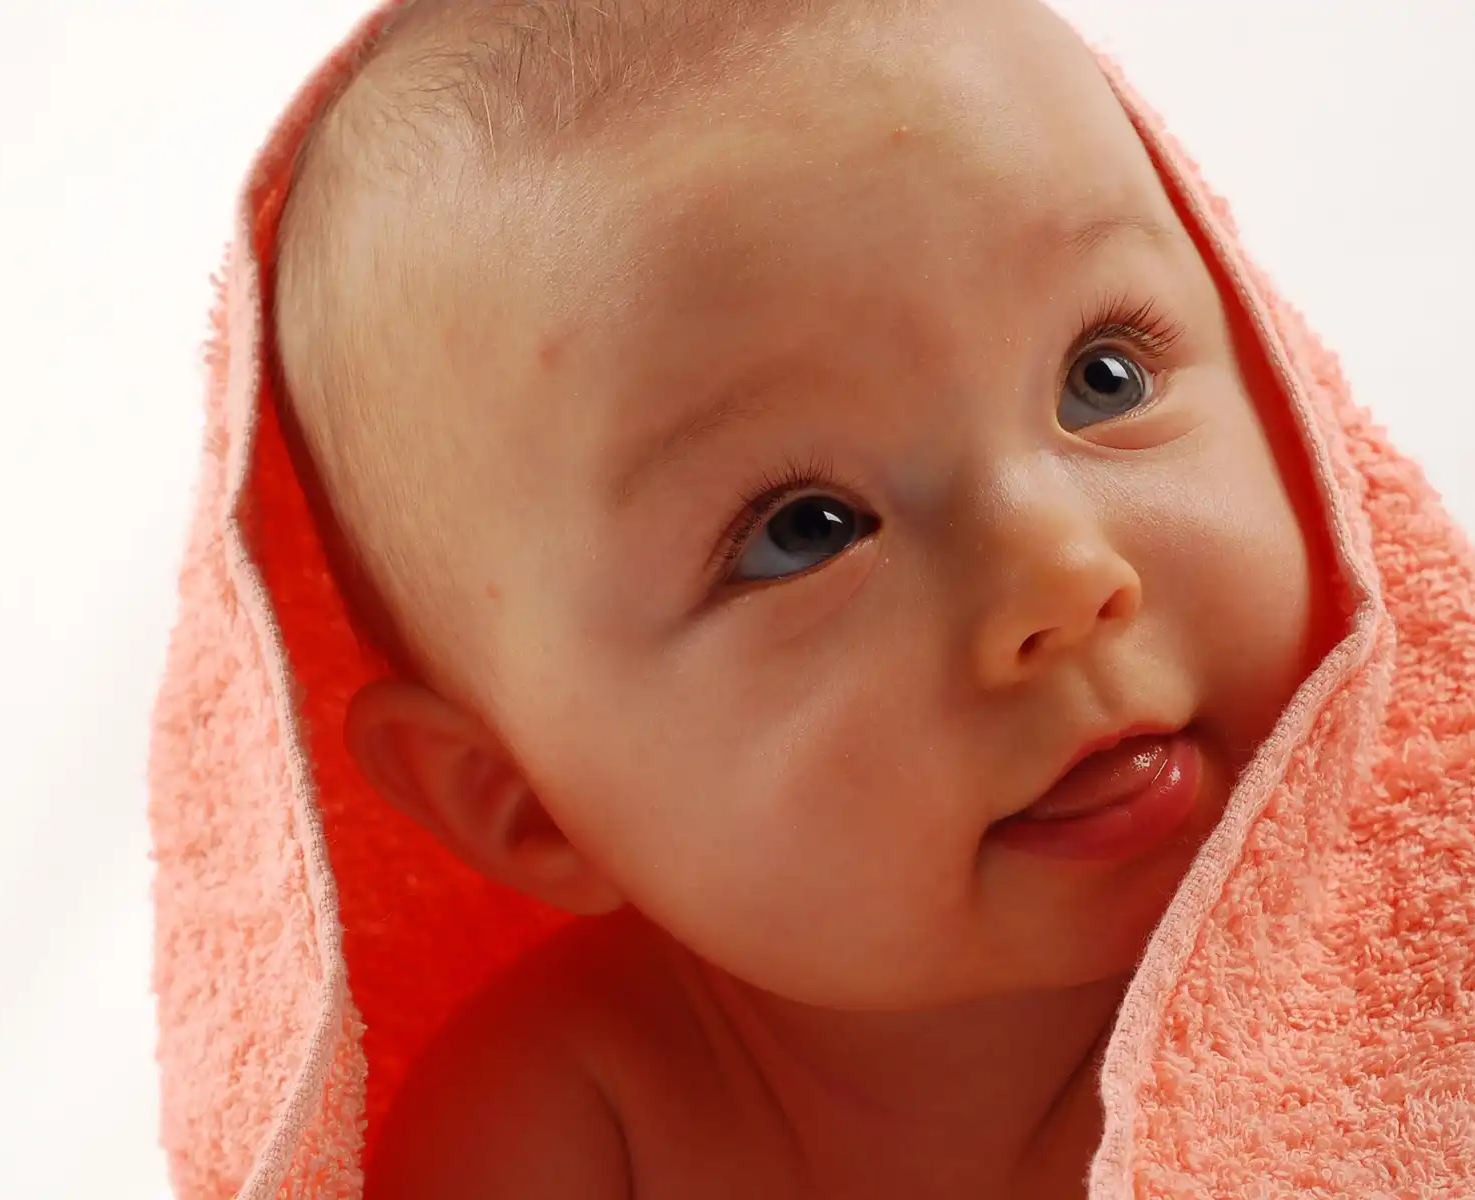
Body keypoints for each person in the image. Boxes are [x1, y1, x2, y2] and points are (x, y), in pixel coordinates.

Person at [269, 0, 1339, 1193]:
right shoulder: (574, 1124)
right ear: (529, 803)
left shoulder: (1460, 975)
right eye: (805, 530)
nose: (1064, 573)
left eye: (1105, 376)